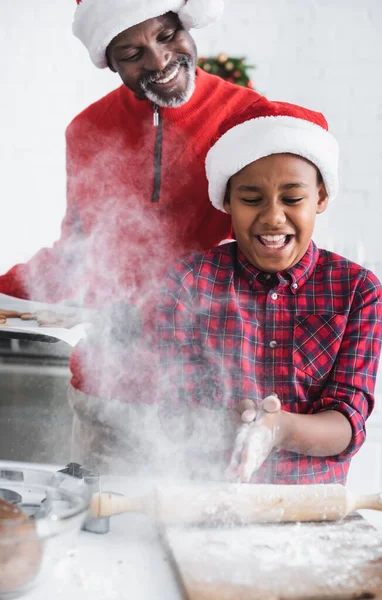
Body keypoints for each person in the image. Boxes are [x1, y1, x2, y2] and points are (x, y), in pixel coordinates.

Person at [0, 0, 262, 472]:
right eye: (131, 52)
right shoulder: (87, 130)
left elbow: (277, 244)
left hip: (209, 400)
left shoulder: (250, 119)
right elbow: (78, 254)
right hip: (106, 390)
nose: (159, 61)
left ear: (186, 22)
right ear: (110, 61)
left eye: (165, 36)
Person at [157, 97, 382, 484]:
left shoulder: (357, 291)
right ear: (227, 200)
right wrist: (232, 422)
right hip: (206, 494)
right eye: (251, 199)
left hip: (311, 508)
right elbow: (175, 414)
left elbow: (348, 424)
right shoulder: (189, 282)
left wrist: (275, 429)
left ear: (321, 198)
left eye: (293, 199)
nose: (273, 217)